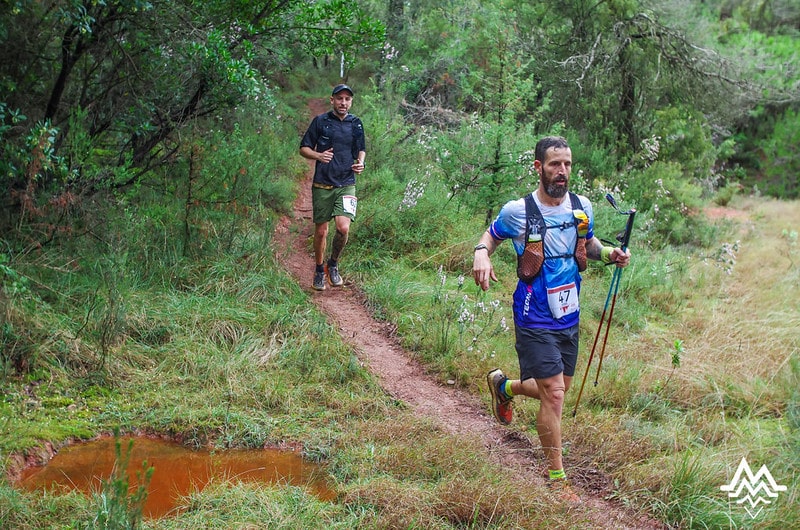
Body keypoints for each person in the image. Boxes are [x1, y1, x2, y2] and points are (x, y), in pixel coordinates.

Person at [472, 136, 631, 503]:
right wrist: (481, 252)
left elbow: (589, 245)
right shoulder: (518, 211)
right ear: (538, 167)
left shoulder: (581, 206)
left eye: (567, 164)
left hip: (569, 313)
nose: (562, 171)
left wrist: (610, 254)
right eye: (555, 164)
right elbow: (491, 236)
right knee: (555, 394)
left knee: (556, 388)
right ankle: (557, 480)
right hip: (533, 313)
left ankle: (505, 388)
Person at [300, 84, 366, 291]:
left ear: (351, 102)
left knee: (343, 228)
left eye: (347, 99)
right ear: (332, 100)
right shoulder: (320, 121)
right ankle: (319, 270)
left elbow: (361, 149)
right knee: (321, 232)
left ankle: (333, 264)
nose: (343, 103)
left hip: (346, 183)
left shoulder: (356, 123)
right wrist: (318, 155)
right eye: (339, 98)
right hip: (322, 183)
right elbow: (303, 148)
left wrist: (361, 163)